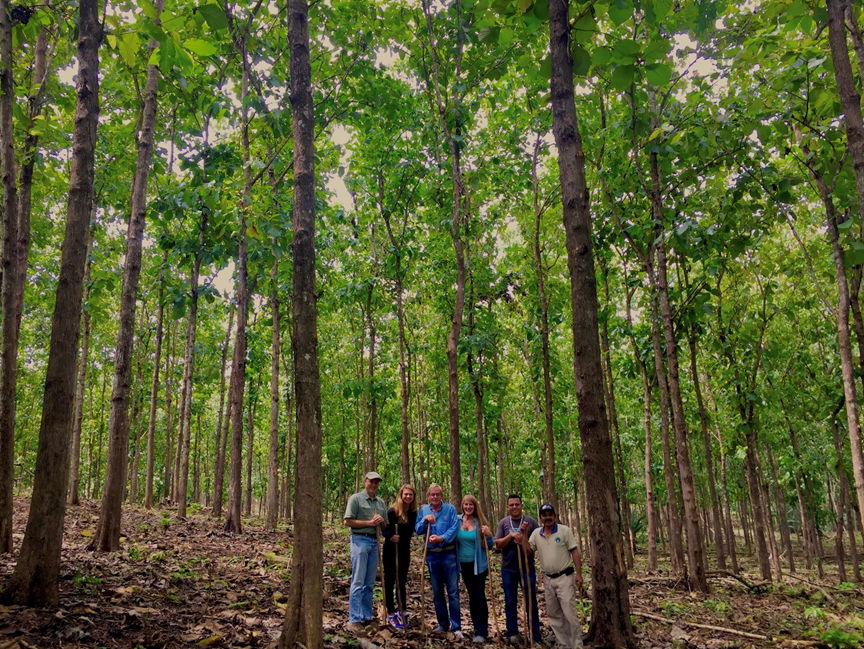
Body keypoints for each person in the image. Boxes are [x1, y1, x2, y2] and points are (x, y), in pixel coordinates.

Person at [529, 504, 584, 649]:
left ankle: (577, 645)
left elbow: (575, 552)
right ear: (540, 518)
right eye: (544, 515)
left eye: (550, 514)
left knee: (569, 614)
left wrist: (578, 574)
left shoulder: (564, 531)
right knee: (554, 615)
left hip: (565, 577)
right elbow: (528, 551)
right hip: (547, 579)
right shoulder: (536, 534)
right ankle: (563, 644)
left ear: (554, 516)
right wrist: (522, 535)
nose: (548, 518)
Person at [415, 484, 463, 638]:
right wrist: (424, 520)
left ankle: (456, 626)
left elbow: (454, 528)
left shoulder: (450, 509)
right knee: (437, 591)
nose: (435, 497)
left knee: (453, 591)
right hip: (431, 555)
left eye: (437, 494)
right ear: (428, 496)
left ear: (442, 495)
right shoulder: (424, 510)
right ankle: (443, 623)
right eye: (432, 494)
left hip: (448, 554)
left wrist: (442, 538)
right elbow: (418, 529)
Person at [495, 494, 541, 645]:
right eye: (511, 505)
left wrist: (524, 537)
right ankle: (512, 633)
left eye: (517, 504)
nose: (514, 507)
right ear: (507, 507)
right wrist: (511, 536)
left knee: (530, 600)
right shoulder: (503, 523)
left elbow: (532, 549)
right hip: (508, 569)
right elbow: (497, 544)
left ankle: (534, 635)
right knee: (510, 601)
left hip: (528, 569)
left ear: (522, 505)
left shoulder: (531, 522)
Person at [344, 471, 387, 633]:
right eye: (371, 482)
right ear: (365, 482)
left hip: (375, 542)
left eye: (377, 482)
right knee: (358, 580)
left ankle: (366, 617)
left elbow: (385, 528)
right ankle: (354, 619)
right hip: (360, 540)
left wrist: (381, 522)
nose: (374, 485)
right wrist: (369, 522)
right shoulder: (356, 499)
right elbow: (347, 521)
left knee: (369, 583)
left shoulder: (380, 503)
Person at [456, 494, 495, 644]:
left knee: (479, 596)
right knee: (472, 596)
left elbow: (490, 545)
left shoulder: (480, 523)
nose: (468, 507)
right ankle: (476, 627)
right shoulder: (458, 520)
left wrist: (489, 535)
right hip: (463, 565)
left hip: (478, 565)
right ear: (462, 506)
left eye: (471, 505)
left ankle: (482, 631)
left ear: (475, 506)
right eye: (466, 504)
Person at [383, 484, 418, 629]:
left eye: (411, 494)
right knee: (390, 580)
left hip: (404, 550)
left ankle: (401, 611)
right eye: (406, 494)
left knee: (401, 581)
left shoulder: (414, 513)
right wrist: (391, 537)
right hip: (391, 549)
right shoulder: (392, 512)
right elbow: (383, 530)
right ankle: (390, 613)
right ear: (401, 495)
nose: (408, 497)